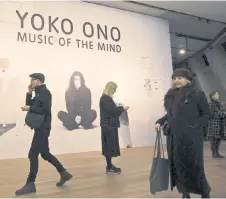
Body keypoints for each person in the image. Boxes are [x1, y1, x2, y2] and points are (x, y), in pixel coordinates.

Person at [155, 68, 211, 198]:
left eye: (179, 78)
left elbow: (206, 114)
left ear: (188, 79)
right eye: (174, 78)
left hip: (191, 137)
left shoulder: (198, 94)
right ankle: (185, 192)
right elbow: (170, 115)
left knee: (195, 165)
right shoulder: (171, 95)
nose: (176, 81)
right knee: (178, 166)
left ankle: (204, 191)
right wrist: (160, 121)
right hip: (174, 137)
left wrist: (194, 126)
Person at [16, 73, 72, 195]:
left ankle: (30, 184)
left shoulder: (45, 92)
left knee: (32, 154)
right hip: (41, 127)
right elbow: (30, 104)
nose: (31, 82)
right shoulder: (39, 92)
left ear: (38, 81)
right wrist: (29, 92)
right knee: (45, 153)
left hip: (43, 127)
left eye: (32, 80)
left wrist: (29, 109)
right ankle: (63, 172)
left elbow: (45, 110)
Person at [99, 81, 129, 174]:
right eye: (114, 89)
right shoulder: (105, 98)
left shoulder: (106, 98)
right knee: (109, 147)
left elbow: (111, 110)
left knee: (109, 146)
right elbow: (112, 111)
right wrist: (122, 108)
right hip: (109, 126)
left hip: (109, 125)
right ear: (110, 89)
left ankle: (110, 165)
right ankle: (109, 167)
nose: (115, 91)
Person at [207, 91, 226, 158]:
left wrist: (223, 113)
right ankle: (214, 153)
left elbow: (222, 111)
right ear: (212, 96)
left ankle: (217, 152)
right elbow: (213, 114)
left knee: (218, 139)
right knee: (214, 139)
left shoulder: (219, 103)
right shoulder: (210, 104)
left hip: (220, 124)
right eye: (217, 94)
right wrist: (224, 114)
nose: (218, 95)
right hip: (214, 124)